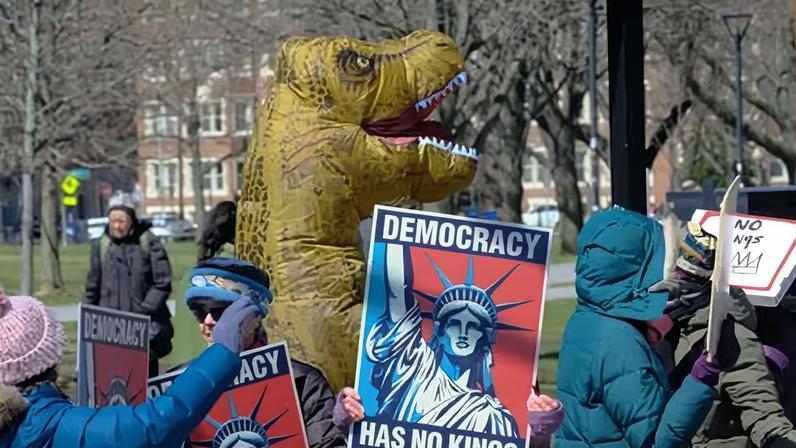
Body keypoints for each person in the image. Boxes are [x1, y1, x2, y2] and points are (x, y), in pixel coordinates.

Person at [555, 207, 740, 447]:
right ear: (636, 269)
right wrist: (700, 382)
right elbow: (655, 441)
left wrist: (684, 370)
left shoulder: (586, 319)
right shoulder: (620, 345)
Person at [0, 283, 265, 447]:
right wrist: (222, 352)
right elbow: (152, 427)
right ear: (49, 356)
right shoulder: (46, 424)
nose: (207, 321)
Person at [180, 257, 360, 448]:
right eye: (199, 311)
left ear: (256, 318)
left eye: (221, 311)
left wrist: (340, 425)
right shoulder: (176, 384)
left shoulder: (301, 381)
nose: (207, 321)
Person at [363, 242, 533, 437]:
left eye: (473, 326)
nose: (463, 333)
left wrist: (540, 432)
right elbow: (397, 292)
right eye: (454, 324)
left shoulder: (493, 416)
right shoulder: (417, 370)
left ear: (484, 338)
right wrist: (397, 232)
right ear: (439, 332)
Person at [658, 222, 796, 448]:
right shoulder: (669, 330)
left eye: (689, 278)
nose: (677, 287)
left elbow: (765, 416)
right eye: (678, 274)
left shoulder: (733, 339)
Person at [83, 195, 173, 377]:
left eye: (122, 221)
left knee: (144, 383)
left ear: (132, 220)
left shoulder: (148, 243)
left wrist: (143, 310)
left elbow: (162, 282)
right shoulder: (101, 246)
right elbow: (93, 285)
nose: (117, 226)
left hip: (145, 331)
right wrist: (87, 318)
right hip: (109, 332)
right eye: (113, 221)